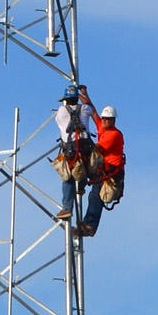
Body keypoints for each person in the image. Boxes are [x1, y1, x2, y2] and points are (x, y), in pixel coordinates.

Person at [53, 84, 100, 229]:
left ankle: (67, 208)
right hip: (85, 147)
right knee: (85, 166)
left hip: (70, 149)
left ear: (66, 100)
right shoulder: (85, 109)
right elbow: (90, 107)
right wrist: (84, 94)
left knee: (67, 177)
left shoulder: (61, 111)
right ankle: (81, 185)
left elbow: (61, 124)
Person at [78, 104, 124, 238]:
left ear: (113, 120)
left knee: (95, 197)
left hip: (110, 174)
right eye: (104, 118)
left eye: (107, 119)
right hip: (102, 170)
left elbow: (96, 148)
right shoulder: (103, 128)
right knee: (93, 194)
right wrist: (86, 98)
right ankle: (87, 223)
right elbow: (93, 114)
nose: (104, 120)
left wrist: (79, 144)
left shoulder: (114, 135)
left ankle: (89, 226)